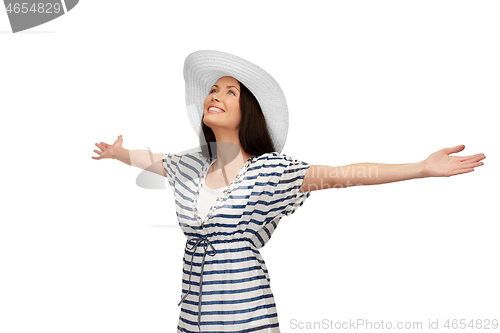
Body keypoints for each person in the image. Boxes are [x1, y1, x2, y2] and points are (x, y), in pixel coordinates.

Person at [92, 50, 486, 333]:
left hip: (246, 320)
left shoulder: (270, 171)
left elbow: (345, 174)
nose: (216, 94)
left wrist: (421, 168)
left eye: (231, 92)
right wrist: (118, 153)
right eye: (213, 89)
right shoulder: (191, 166)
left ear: (249, 112)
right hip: (191, 320)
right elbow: (153, 161)